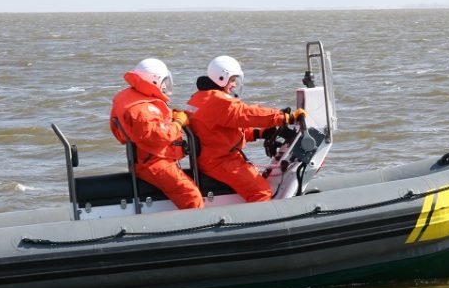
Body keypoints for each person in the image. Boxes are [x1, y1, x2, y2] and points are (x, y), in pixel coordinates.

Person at [186, 55, 304, 202]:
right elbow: (246, 113)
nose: (234, 84)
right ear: (221, 78)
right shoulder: (220, 102)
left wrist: (259, 133)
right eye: (232, 80)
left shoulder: (200, 97)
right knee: (261, 192)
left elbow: (220, 130)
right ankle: (261, 223)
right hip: (221, 161)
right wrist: (285, 118)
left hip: (211, 157)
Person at [109, 58, 204, 210]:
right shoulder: (141, 109)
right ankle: (198, 229)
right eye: (164, 81)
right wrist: (178, 122)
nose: (166, 85)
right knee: (190, 195)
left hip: (147, 159)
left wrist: (170, 115)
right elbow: (158, 136)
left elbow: (122, 132)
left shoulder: (134, 98)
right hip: (154, 163)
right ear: (154, 81)